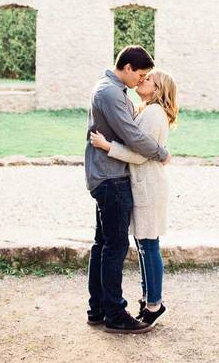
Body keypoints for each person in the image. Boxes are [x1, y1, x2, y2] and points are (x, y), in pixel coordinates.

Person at [85, 46, 171, 335]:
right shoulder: (110, 91)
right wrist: (161, 153)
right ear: (128, 67)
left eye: (148, 78)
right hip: (111, 179)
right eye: (141, 74)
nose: (141, 80)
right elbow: (133, 137)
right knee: (114, 247)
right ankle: (114, 313)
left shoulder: (113, 90)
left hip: (110, 177)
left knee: (105, 245)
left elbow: (132, 136)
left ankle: (99, 309)